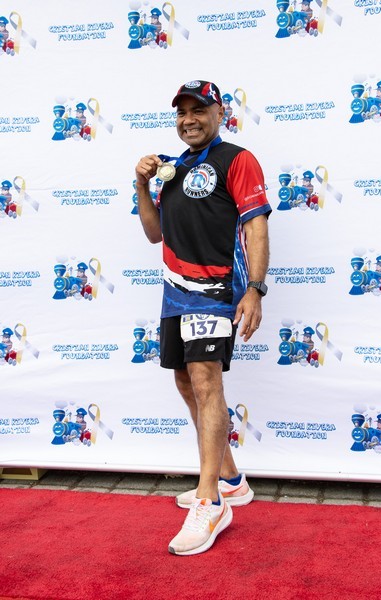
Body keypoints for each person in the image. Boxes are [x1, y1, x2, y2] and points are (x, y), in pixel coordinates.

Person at [135, 80, 271, 556]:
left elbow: (256, 227)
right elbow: (154, 234)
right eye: (182, 112)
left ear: (220, 113)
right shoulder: (174, 168)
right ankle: (230, 479)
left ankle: (210, 500)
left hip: (215, 292)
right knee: (185, 382)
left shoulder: (238, 159)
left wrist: (255, 289)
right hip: (175, 294)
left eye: (199, 110)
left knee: (206, 382)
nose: (189, 119)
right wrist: (142, 185)